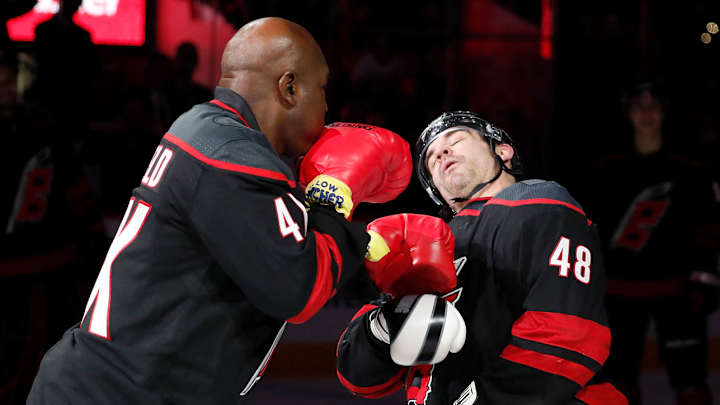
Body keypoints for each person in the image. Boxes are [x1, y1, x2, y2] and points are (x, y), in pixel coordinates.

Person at [26, 17, 415, 405]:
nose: (327, 106)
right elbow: (297, 289)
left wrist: (375, 259)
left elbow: (276, 246)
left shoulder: (206, 131)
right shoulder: (230, 154)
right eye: (323, 89)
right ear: (290, 87)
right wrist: (334, 196)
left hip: (106, 387)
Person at [336, 111, 628, 404]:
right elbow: (358, 379)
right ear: (435, 189)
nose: (442, 153)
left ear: (503, 151)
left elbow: (568, 335)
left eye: (456, 140)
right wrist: (383, 325)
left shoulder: (540, 203)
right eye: (431, 158)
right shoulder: (422, 245)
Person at [587, 82, 719, 405]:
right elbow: (588, 229)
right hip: (618, 293)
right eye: (638, 105)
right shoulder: (604, 168)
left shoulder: (691, 168)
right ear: (628, 113)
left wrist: (705, 279)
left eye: (653, 105)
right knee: (618, 383)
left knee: (690, 380)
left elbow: (708, 226)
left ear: (664, 111)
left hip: (678, 292)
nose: (646, 113)